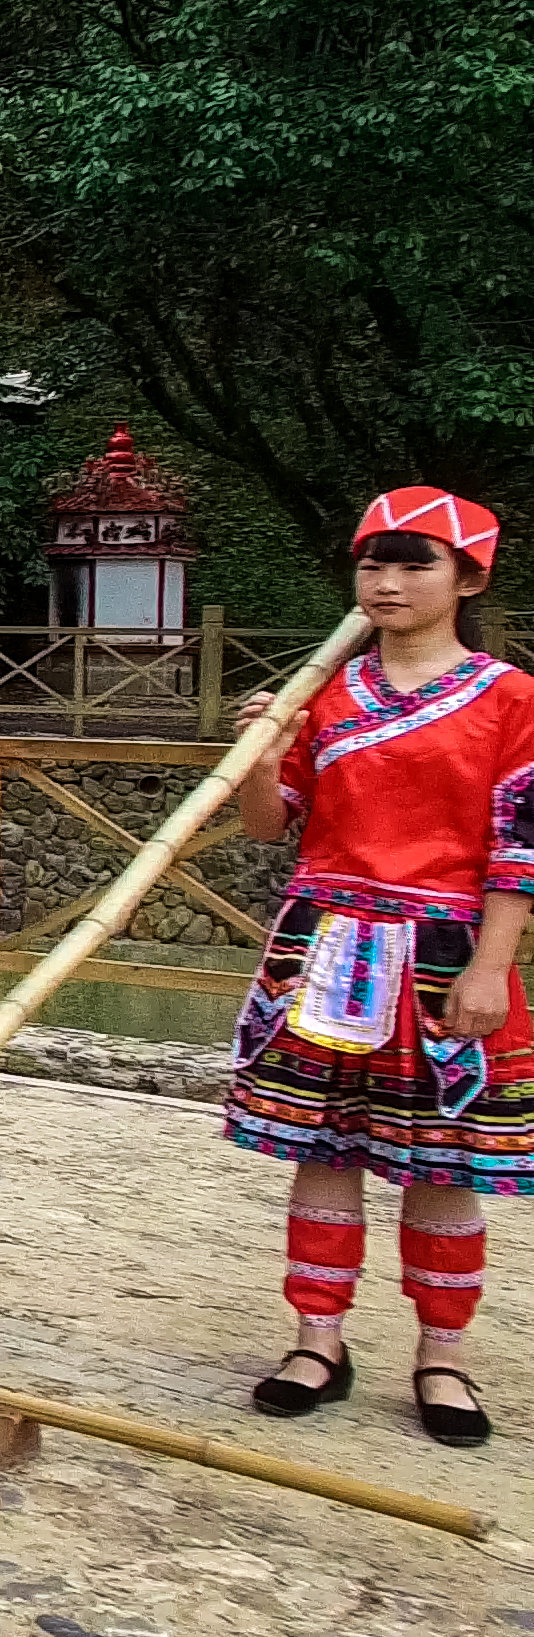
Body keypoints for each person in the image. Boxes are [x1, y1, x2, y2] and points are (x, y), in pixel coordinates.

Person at [227, 487, 532, 1447]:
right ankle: (319, 1338)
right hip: (325, 942)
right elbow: (274, 824)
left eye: (415, 565)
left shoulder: (512, 698)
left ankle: (442, 1355)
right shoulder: (327, 689)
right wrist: (263, 749)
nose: (388, 584)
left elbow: (517, 848)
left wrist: (491, 968)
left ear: (468, 579)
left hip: (444, 949)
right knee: (326, 1149)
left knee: (444, 1161)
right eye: (374, 565)